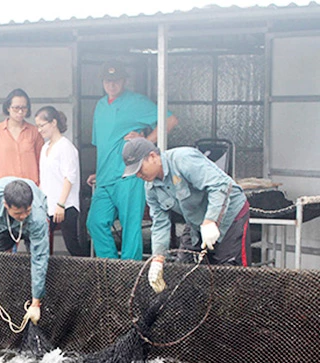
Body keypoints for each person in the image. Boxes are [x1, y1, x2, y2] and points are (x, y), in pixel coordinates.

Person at [121, 137, 250, 293]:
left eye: (140, 168)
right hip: (196, 222)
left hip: (230, 215)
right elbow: (160, 224)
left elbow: (221, 185)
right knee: (183, 271)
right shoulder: (151, 188)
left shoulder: (183, 159)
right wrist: (157, 259)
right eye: (135, 172)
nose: (138, 175)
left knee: (229, 274)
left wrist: (211, 221)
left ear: (153, 157)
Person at [86, 61, 178, 260]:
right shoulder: (100, 106)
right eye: (108, 81)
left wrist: (146, 140)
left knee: (131, 227)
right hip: (104, 177)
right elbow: (102, 144)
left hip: (130, 175)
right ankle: (110, 270)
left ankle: (129, 277)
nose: (112, 85)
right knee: (95, 222)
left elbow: (170, 120)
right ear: (102, 82)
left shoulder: (136, 102)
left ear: (124, 81)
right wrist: (98, 170)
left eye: (116, 80)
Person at [0, 177, 48, 324]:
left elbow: (40, 258)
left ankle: (35, 299)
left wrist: (36, 303)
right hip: (2, 224)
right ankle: (4, 303)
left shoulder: (36, 216)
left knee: (35, 260)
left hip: (32, 226)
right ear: (6, 205)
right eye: (18, 213)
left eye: (26, 211)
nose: (23, 216)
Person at [35, 106, 88, 256]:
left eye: (42, 126)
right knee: (40, 242)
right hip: (47, 204)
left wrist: (61, 204)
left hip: (65, 204)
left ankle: (84, 274)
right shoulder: (45, 147)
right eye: (37, 126)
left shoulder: (66, 147)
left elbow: (69, 177)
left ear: (53, 123)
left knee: (71, 244)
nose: (39, 130)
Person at [0, 88, 44, 185]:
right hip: (3, 189)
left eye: (24, 108)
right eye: (16, 108)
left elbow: (41, 162)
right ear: (8, 108)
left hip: (29, 189)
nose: (20, 112)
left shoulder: (35, 132)